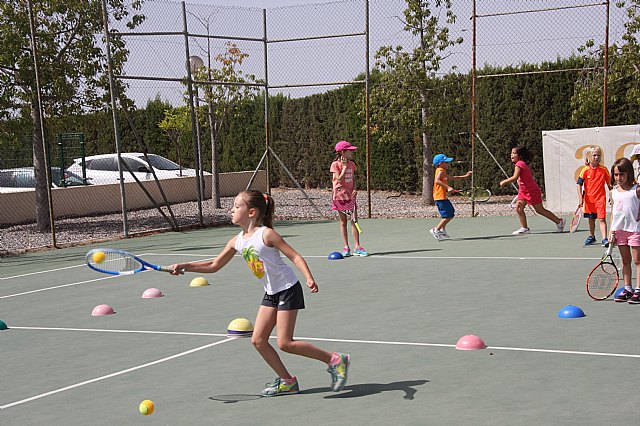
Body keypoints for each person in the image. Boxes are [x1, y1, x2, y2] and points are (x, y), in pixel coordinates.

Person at [169, 190, 351, 395]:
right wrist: (186, 266)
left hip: (288, 289)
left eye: (237, 206)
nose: (232, 209)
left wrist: (308, 277)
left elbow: (295, 256)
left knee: (285, 343)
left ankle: (335, 360)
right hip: (271, 292)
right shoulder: (237, 240)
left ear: (251, 212)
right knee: (258, 340)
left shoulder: (266, 234)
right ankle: (288, 381)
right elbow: (213, 265)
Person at [499, 146, 565, 235]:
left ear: (520, 155)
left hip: (532, 191)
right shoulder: (523, 164)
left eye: (514, 153)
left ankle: (559, 221)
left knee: (540, 210)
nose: (511, 155)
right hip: (523, 191)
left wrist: (504, 182)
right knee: (519, 208)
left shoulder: (519, 164)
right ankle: (525, 228)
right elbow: (529, 174)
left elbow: (515, 177)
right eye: (511, 153)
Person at [609, 158, 640, 304]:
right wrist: (611, 230)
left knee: (638, 261)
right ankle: (628, 289)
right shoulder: (613, 192)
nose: (618, 178)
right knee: (625, 261)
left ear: (629, 173)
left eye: (622, 174)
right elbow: (613, 212)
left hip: (635, 230)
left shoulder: (637, 190)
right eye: (616, 175)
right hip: (620, 231)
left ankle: (638, 290)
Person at [330, 140, 368, 257]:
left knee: (354, 220)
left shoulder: (352, 164)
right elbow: (339, 180)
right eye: (350, 150)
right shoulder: (335, 165)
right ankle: (346, 247)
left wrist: (355, 188)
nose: (352, 152)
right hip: (339, 196)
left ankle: (357, 247)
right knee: (343, 222)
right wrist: (344, 167)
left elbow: (353, 179)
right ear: (343, 152)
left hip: (350, 196)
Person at [430, 153, 472, 241]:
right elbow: (437, 181)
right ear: (440, 163)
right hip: (439, 197)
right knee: (448, 215)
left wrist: (465, 176)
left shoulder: (442, 171)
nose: (448, 164)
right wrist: (448, 187)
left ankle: (442, 229)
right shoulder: (440, 171)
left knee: (451, 213)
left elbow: (453, 178)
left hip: (442, 197)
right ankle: (435, 229)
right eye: (446, 162)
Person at [577, 146, 612, 246]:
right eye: (594, 155)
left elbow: (609, 184)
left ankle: (605, 239)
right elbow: (579, 184)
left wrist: (612, 195)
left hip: (600, 199)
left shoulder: (604, 170)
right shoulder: (585, 170)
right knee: (591, 219)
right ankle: (591, 236)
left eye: (598, 155)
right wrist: (580, 198)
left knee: (602, 219)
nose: (597, 157)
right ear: (588, 157)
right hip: (589, 200)